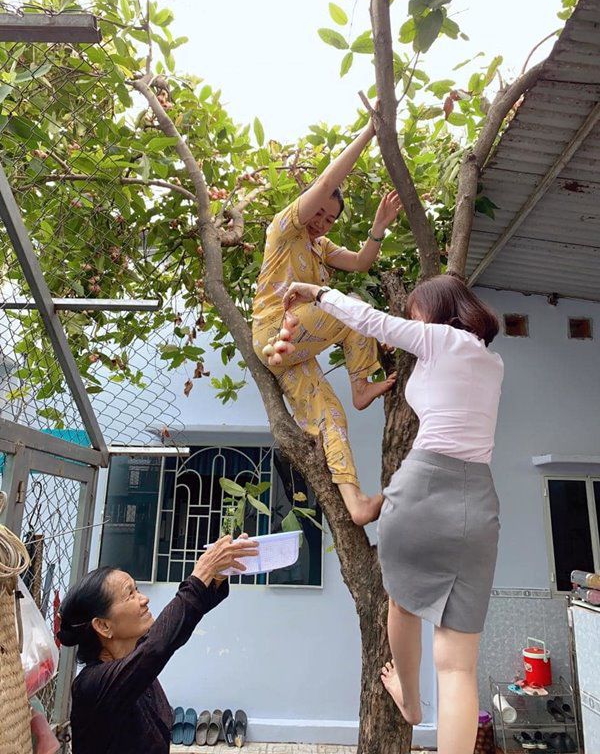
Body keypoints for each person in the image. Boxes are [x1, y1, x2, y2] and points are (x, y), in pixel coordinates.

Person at [282, 275, 503, 754]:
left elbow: (369, 320)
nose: (412, 321)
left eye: (416, 312)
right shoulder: (492, 361)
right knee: (459, 667)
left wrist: (317, 293)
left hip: (423, 485)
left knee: (400, 603)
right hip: (478, 500)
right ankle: (424, 710)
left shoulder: (440, 339)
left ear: (438, 311)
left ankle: (411, 702)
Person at [252, 113, 402, 526]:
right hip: (275, 329)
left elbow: (360, 261)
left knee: (331, 413)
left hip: (292, 350)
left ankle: (355, 503)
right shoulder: (284, 229)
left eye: (330, 220)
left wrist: (377, 228)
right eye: (319, 213)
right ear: (307, 206)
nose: (321, 223)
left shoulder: (320, 247)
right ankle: (360, 384)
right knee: (348, 307)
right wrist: (370, 132)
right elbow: (323, 184)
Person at [57, 534, 259, 754]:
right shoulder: (92, 685)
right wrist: (201, 574)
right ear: (103, 626)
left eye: (137, 589)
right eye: (130, 595)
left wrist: (216, 577)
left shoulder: (136, 663)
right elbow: (157, 646)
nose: (144, 599)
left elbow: (170, 633)